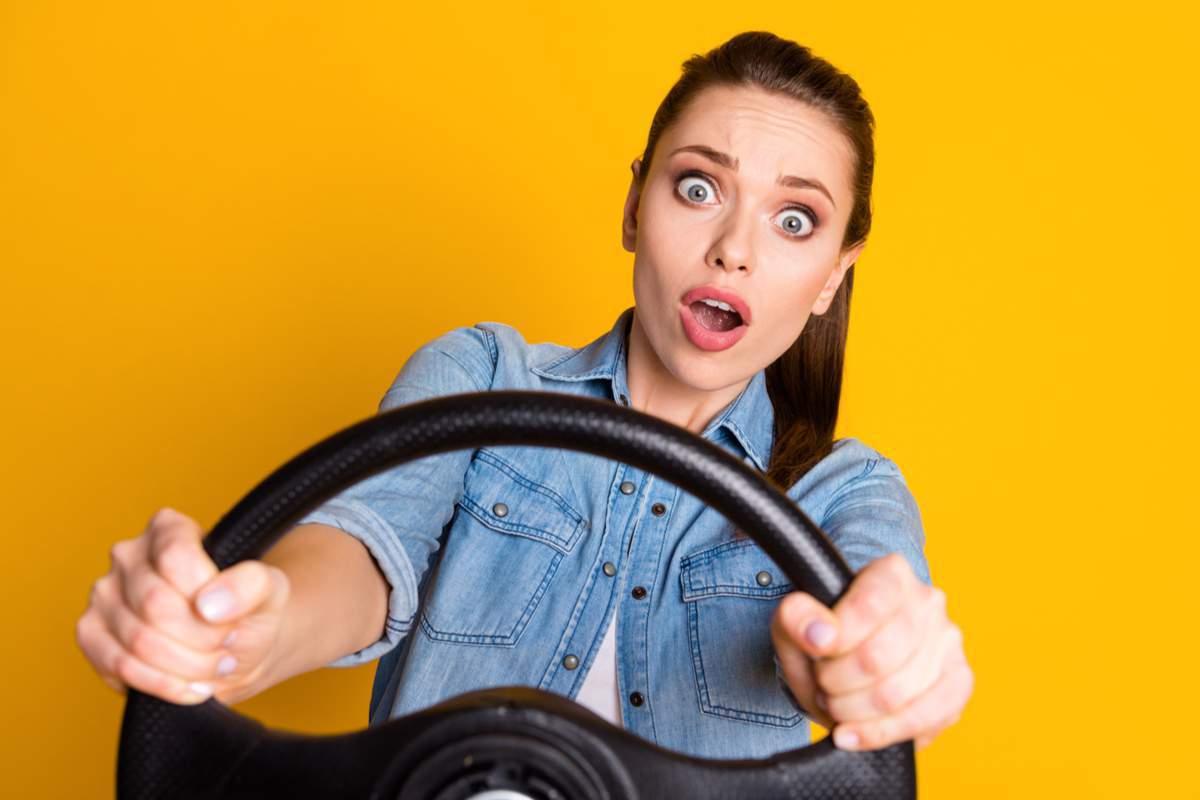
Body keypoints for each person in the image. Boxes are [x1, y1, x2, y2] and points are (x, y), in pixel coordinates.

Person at [75, 30, 973, 761]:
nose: (734, 248)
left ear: (831, 278)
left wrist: (878, 661)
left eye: (794, 220)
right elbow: (359, 553)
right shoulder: (482, 374)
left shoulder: (842, 492)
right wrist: (241, 625)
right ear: (634, 207)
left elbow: (858, 621)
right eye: (698, 187)